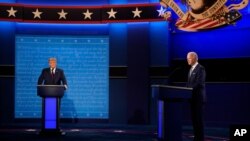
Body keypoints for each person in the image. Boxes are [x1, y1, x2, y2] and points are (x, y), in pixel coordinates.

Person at [186, 52, 206, 141]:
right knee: (194, 120)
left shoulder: (200, 69)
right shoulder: (190, 69)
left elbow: (199, 83)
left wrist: (188, 89)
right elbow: (188, 83)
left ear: (194, 58)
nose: (187, 60)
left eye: (189, 58)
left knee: (198, 119)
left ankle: (200, 138)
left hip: (198, 98)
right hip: (192, 99)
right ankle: (196, 137)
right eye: (187, 58)